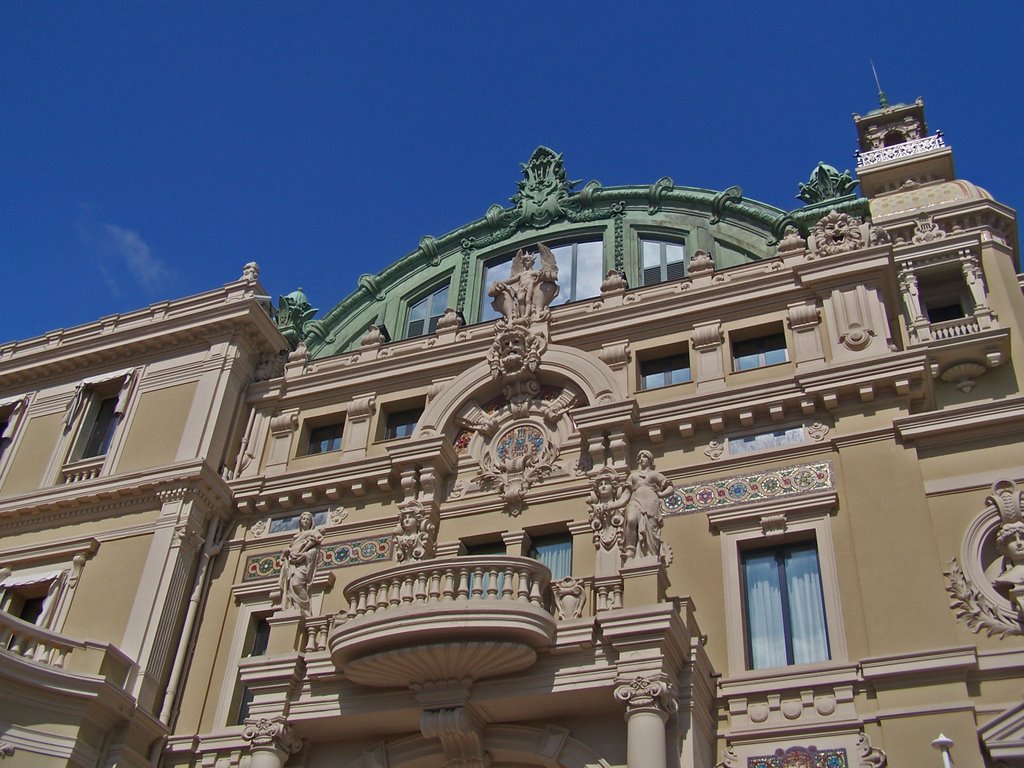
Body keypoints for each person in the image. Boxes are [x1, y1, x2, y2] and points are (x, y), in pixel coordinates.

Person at [622, 450, 675, 561]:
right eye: (640, 457)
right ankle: (630, 551)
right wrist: (610, 506)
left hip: (650, 503)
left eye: (644, 457)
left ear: (650, 460)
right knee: (631, 520)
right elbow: (626, 495)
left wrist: (660, 494)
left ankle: (651, 553)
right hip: (635, 501)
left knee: (651, 529)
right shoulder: (633, 476)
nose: (641, 459)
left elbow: (670, 488)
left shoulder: (654, 474)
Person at [277, 511, 323, 615]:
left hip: (303, 564)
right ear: (300, 521)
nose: (305, 521)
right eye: (304, 519)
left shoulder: (313, 532)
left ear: (311, 522)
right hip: (292, 564)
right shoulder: (296, 536)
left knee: (297, 584)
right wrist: (287, 551)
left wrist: (305, 555)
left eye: (308, 519)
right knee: (290, 585)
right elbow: (293, 547)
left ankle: (305, 608)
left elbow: (316, 547)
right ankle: (293, 607)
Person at [993, 521, 1024, 590]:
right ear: (1004, 548)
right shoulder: (1006, 578)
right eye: (1012, 539)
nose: (1019, 543)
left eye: (1022, 538)